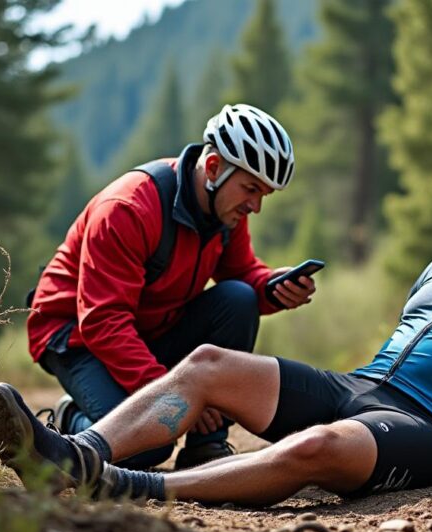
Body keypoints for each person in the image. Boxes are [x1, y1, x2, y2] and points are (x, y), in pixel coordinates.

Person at [0, 144, 432, 504]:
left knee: (318, 444)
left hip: (430, 430)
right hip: (359, 386)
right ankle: (71, 453)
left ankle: (132, 486)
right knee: (204, 364)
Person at [25, 104, 316, 471]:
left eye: (265, 195)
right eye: (251, 188)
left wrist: (272, 288)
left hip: (147, 328)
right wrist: (176, 394)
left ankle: (206, 446)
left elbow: (242, 275)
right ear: (213, 168)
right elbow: (103, 321)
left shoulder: (225, 210)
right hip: (76, 335)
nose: (256, 206)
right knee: (144, 448)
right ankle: (69, 420)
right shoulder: (127, 209)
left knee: (238, 298)